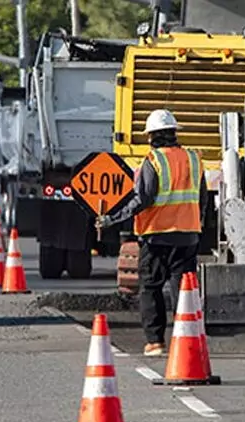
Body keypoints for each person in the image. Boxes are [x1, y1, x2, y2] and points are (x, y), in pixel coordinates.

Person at [95, 109, 208, 356]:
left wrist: (111, 219)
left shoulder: (153, 161)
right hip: (188, 234)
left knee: (151, 287)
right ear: (174, 133)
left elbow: (142, 199)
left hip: (157, 235)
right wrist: (197, 225)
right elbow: (203, 198)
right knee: (184, 290)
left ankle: (155, 342)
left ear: (152, 137)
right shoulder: (194, 158)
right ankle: (186, 341)